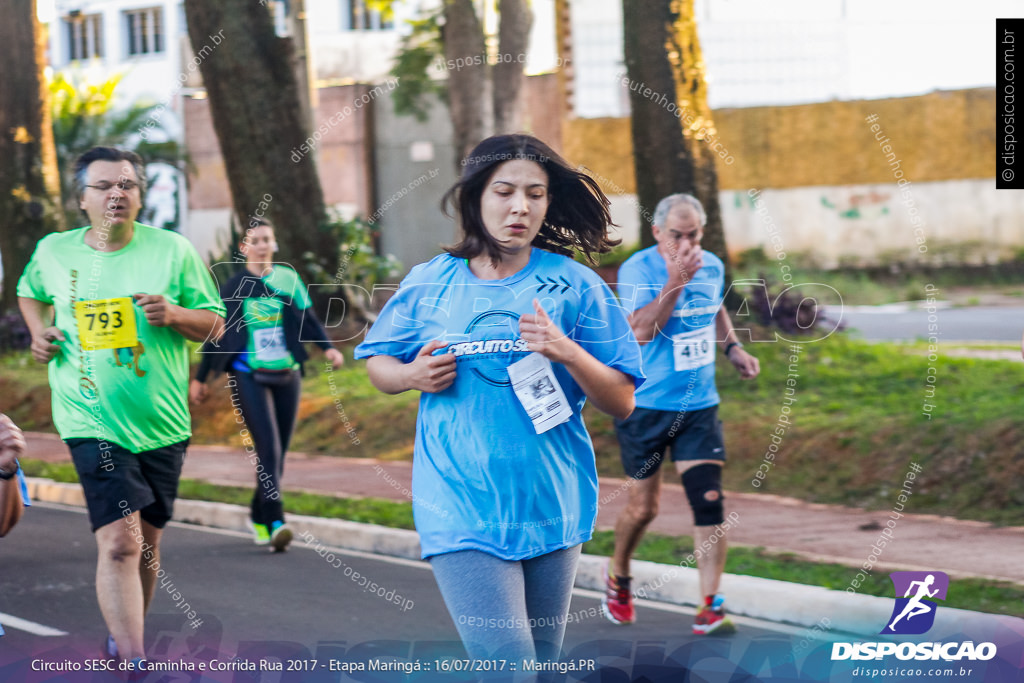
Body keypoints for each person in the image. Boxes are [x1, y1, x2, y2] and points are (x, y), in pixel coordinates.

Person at [355, 134, 644, 663]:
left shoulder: (575, 285)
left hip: (551, 498)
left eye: (536, 194)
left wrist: (568, 353)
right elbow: (378, 365)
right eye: (505, 191)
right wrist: (412, 375)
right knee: (510, 667)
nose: (520, 207)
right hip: (459, 501)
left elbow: (622, 401)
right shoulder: (431, 282)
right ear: (475, 198)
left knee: (541, 664)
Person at [17, 147, 225, 667]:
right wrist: (40, 332)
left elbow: (217, 324)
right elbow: (29, 293)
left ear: (139, 195)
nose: (117, 194)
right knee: (119, 544)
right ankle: (133, 658)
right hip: (89, 418)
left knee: (146, 546)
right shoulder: (54, 251)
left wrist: (175, 313)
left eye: (127, 185)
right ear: (81, 199)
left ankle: (123, 638)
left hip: (162, 422)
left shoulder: (173, 251)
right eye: (105, 186)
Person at [602, 193, 760, 635]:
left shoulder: (709, 263)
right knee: (644, 509)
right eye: (676, 235)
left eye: (693, 235)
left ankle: (710, 604)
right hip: (647, 406)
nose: (687, 244)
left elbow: (715, 306)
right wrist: (675, 279)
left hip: (699, 406)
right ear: (657, 233)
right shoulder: (638, 269)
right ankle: (618, 573)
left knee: (709, 501)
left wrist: (733, 347)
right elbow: (641, 329)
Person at [190, 218, 344, 551]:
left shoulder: (288, 279)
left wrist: (328, 347)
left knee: (279, 452)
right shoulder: (233, 286)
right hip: (247, 374)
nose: (262, 245)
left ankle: (257, 514)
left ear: (274, 244)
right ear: (244, 247)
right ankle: (276, 519)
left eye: (267, 239)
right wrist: (200, 379)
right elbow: (218, 333)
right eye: (255, 240)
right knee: (269, 448)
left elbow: (309, 320)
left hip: (287, 372)